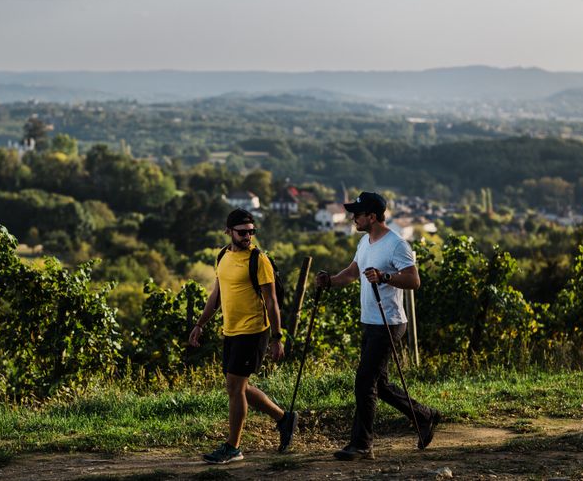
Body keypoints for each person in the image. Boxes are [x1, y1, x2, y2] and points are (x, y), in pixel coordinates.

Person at [316, 191, 440, 460]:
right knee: (379, 385)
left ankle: (362, 445)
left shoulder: (396, 244)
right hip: (371, 322)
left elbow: (413, 281)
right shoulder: (365, 243)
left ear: (372, 216)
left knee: (364, 382)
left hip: (390, 322)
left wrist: (384, 276)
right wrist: (330, 282)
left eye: (357, 214)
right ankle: (425, 416)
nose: (352, 218)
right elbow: (351, 273)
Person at [189, 208, 297, 464]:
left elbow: (272, 302)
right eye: (242, 232)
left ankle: (233, 447)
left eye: (251, 231)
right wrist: (200, 324)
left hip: (253, 331)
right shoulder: (223, 256)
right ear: (229, 232)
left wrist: (276, 337)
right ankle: (284, 418)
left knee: (234, 388)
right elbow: (216, 294)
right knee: (241, 388)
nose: (248, 236)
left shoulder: (259, 260)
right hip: (231, 331)